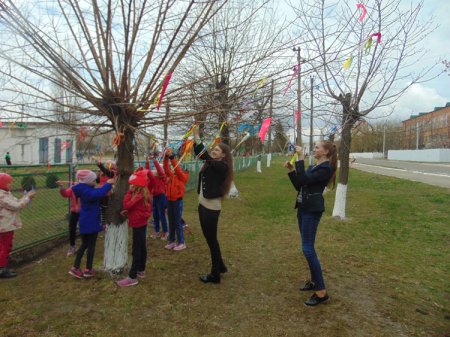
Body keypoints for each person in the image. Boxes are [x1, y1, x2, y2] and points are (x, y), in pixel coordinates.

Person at [284, 141, 337, 306]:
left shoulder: (325, 168)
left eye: (317, 147)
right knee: (308, 247)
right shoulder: (314, 167)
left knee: (307, 249)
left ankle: (321, 293)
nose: (314, 149)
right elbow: (300, 185)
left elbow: (306, 179)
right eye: (314, 147)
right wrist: (292, 170)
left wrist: (300, 157)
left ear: (326, 152)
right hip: (303, 208)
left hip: (311, 211)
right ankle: (315, 281)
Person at [193, 126, 234, 284]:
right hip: (203, 205)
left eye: (217, 150)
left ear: (223, 155)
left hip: (211, 208)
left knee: (212, 240)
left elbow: (204, 155)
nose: (214, 152)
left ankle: (215, 275)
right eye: (214, 150)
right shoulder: (211, 163)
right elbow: (200, 153)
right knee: (209, 238)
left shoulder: (222, 167)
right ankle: (221, 266)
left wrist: (197, 136)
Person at [68, 170, 114, 279]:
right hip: (90, 222)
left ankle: (77, 267)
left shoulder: (84, 189)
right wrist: (108, 184)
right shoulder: (87, 191)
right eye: (94, 180)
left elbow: (96, 191)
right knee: (91, 246)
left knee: (84, 244)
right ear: (88, 181)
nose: (95, 181)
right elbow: (98, 193)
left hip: (86, 221)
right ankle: (87, 269)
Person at [117, 169, 153, 287]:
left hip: (138, 224)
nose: (130, 186)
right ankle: (141, 270)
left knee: (136, 250)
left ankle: (132, 277)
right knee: (142, 247)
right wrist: (129, 212)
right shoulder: (144, 192)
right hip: (141, 222)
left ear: (137, 185)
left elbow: (127, 204)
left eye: (132, 184)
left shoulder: (137, 195)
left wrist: (128, 193)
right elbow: (137, 208)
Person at [0, 173, 36, 278]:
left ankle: (2, 266)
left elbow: (17, 201)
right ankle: (1, 269)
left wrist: (28, 197)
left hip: (7, 225)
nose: (10, 185)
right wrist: (27, 197)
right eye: (8, 183)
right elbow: (16, 206)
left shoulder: (5, 193)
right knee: (4, 247)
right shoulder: (1, 195)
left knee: (6, 246)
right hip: (4, 227)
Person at [163, 148, 189, 251]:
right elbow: (165, 168)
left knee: (177, 222)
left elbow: (177, 169)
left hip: (177, 201)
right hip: (170, 200)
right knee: (171, 221)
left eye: (177, 168)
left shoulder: (182, 177)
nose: (174, 169)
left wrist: (172, 158)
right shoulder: (171, 176)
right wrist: (166, 157)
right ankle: (172, 241)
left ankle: (181, 242)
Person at [145, 157, 168, 240]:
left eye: (156, 170)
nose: (154, 171)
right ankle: (157, 231)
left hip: (161, 196)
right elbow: (148, 172)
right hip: (154, 197)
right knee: (155, 215)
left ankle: (165, 231)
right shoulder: (153, 179)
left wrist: (154, 161)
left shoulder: (162, 177)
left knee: (162, 215)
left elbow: (160, 170)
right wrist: (147, 162)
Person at [57, 181, 81, 256]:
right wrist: (62, 187)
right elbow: (65, 194)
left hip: (83, 212)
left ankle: (85, 245)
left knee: (84, 228)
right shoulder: (72, 189)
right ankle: (72, 246)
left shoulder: (84, 188)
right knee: (71, 229)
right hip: (74, 212)